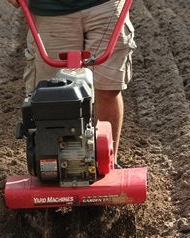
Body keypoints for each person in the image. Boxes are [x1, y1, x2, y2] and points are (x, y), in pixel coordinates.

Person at [7, 0, 136, 168]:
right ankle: (56, 166)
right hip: (50, 11)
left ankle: (107, 163)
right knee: (52, 94)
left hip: (106, 7)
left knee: (107, 88)